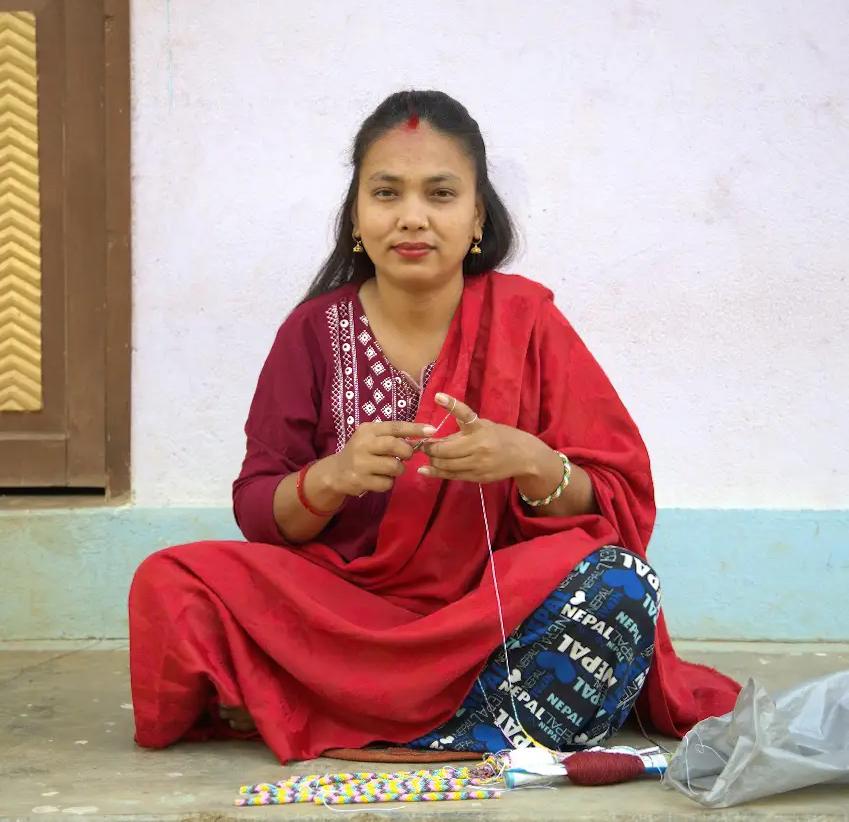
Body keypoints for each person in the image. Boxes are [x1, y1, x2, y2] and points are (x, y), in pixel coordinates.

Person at [129, 90, 740, 763]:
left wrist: (530, 460)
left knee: (619, 580)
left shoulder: (527, 322)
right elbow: (257, 511)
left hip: (490, 611)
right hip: (343, 615)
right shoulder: (311, 332)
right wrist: (330, 479)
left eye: (440, 195)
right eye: (386, 193)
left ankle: (324, 707)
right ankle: (487, 720)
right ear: (356, 216)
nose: (412, 218)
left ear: (477, 214)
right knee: (171, 578)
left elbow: (618, 499)